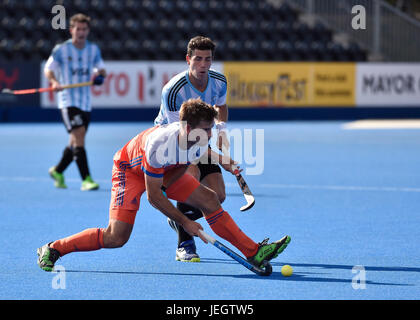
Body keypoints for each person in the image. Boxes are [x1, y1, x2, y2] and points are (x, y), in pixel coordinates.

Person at [37, 98, 291, 272]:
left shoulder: (199, 138)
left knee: (210, 200)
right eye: (206, 129)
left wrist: (223, 161)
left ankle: (253, 251)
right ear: (187, 127)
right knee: (117, 237)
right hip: (129, 170)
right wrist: (185, 221)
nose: (211, 134)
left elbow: (183, 164)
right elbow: (154, 196)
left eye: (211, 128)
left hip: (167, 171)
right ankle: (54, 248)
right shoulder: (160, 145)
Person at [154, 36, 231, 262]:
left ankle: (178, 219)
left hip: (200, 140)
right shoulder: (173, 90)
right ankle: (184, 245)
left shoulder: (219, 81)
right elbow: (180, 138)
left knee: (218, 196)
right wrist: (221, 158)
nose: (203, 65)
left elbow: (222, 106)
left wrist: (222, 132)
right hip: (172, 144)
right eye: (198, 59)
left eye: (208, 59)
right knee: (192, 180)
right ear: (188, 59)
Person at [44, 13, 106, 191]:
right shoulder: (61, 50)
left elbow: (102, 70)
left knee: (75, 141)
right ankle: (86, 179)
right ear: (71, 30)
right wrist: (55, 82)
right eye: (78, 29)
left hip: (85, 102)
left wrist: (99, 76)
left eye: (84, 29)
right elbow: (49, 69)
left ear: (88, 31)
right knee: (79, 135)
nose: (81, 32)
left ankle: (57, 170)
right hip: (67, 100)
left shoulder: (93, 50)